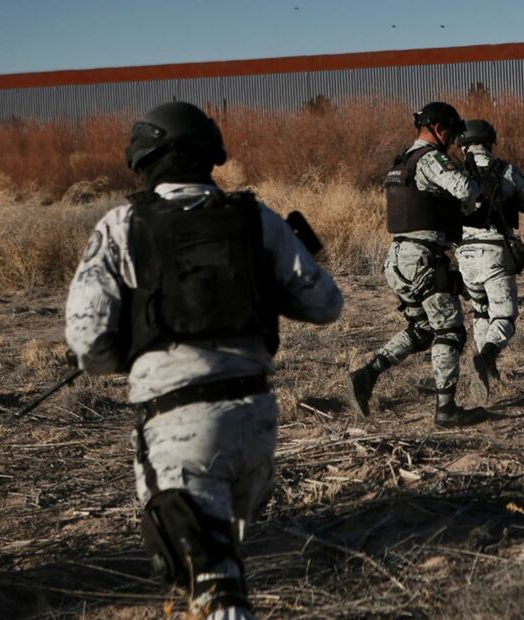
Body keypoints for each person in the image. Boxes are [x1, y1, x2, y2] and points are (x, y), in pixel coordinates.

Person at [64, 101, 343, 620]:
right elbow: (326, 305)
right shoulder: (256, 218)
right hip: (256, 422)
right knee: (220, 558)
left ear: (145, 159)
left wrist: (139, 341)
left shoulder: (121, 226)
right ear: (210, 156)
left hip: (179, 426)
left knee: (213, 586)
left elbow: (89, 346)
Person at [346, 101, 483, 427]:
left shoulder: (402, 163)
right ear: (439, 128)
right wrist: (478, 179)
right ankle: (446, 409)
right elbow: (464, 189)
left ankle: (366, 374)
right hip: (423, 258)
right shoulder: (430, 159)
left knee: (422, 330)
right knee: (449, 330)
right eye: (450, 132)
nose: (452, 141)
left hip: (398, 260)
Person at [455, 119, 524, 400]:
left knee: (480, 312)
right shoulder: (505, 170)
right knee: (504, 315)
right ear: (489, 141)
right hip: (495, 251)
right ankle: (487, 357)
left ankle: (485, 375)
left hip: (464, 254)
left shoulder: (454, 172)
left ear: (463, 143)